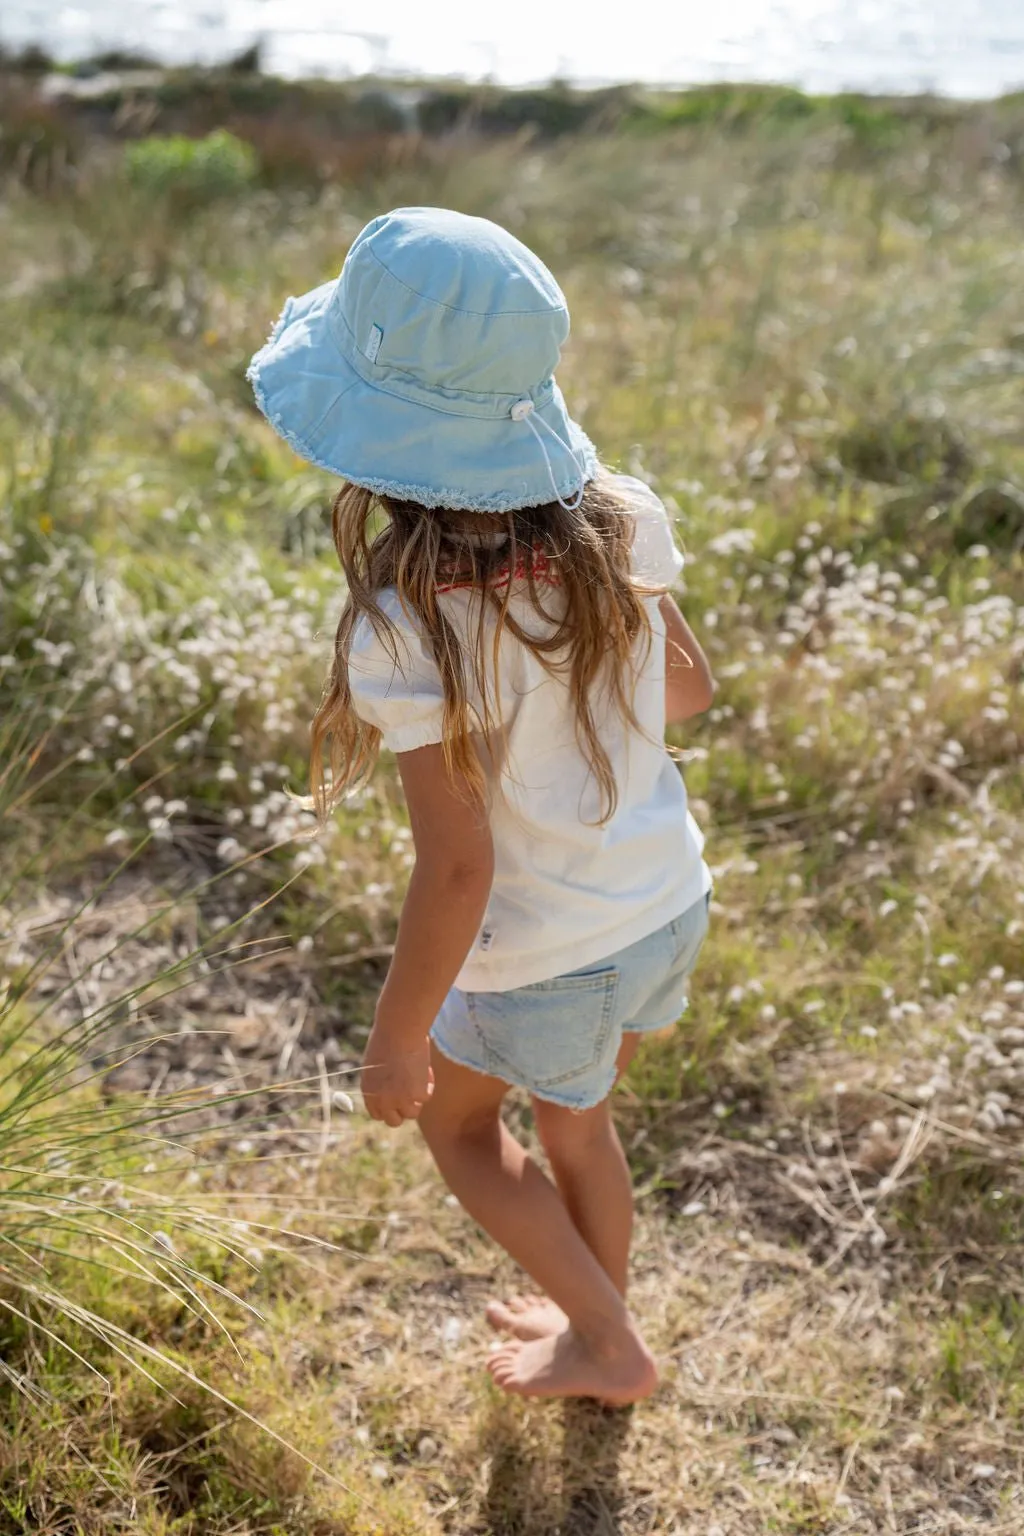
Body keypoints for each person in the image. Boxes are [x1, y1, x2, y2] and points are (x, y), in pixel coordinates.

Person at [249, 207, 714, 1405]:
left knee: (460, 1132)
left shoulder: (410, 624)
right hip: (658, 903)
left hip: (544, 952)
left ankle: (609, 1344)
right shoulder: (618, 515)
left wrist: (397, 1039)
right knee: (576, 1125)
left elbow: (458, 871)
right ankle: (593, 1329)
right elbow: (688, 693)